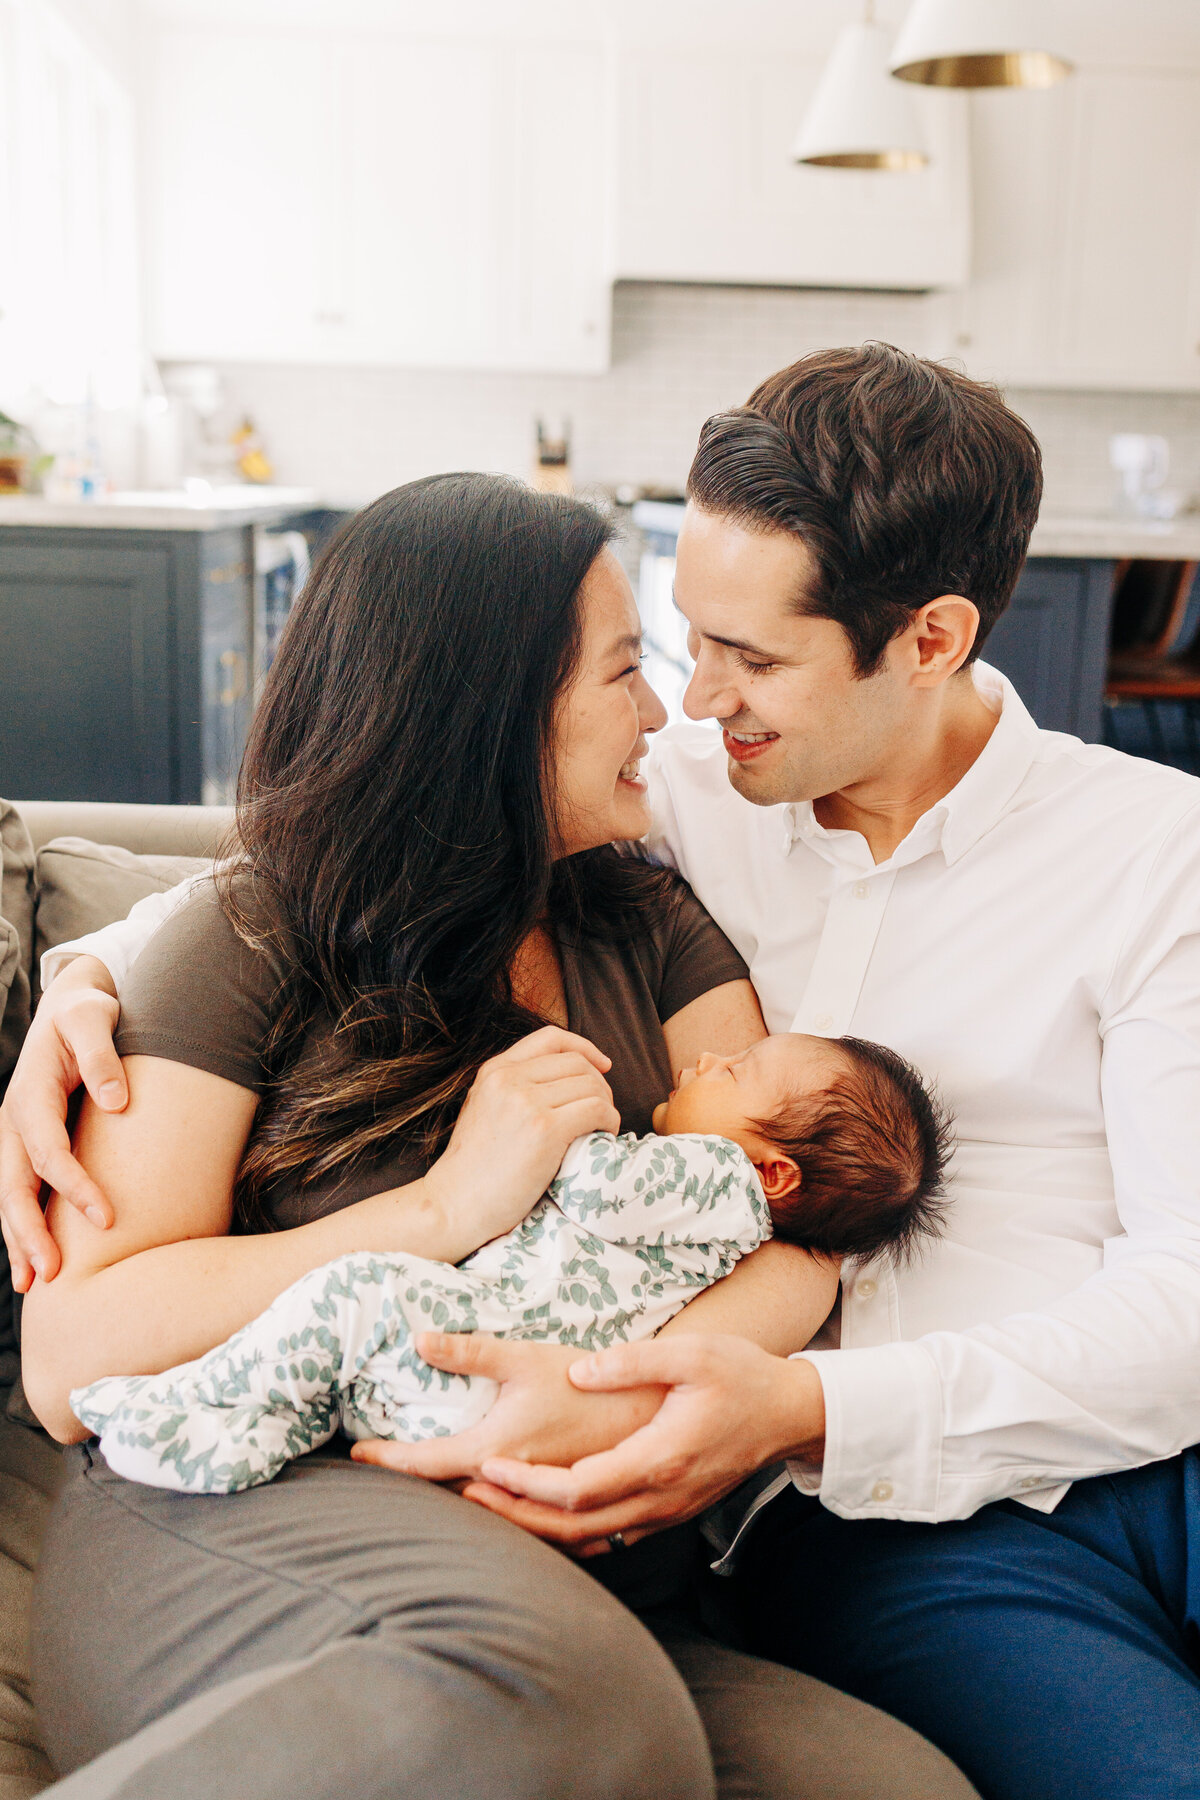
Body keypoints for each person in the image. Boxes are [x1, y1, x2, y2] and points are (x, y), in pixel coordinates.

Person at [9, 339, 1197, 1799]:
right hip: (351, 1482)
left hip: (1033, 1451)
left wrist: (657, 1390)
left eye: (745, 658)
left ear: (933, 638)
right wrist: (80, 978)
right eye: (660, 650)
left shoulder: (677, 887)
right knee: (568, 1709)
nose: (691, 706)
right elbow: (314, 860)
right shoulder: (675, 801)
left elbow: (794, 1230)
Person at [68, 1031, 951, 1494]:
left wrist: (571, 1127)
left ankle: (204, 1421)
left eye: (743, 1069)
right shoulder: (735, 1214)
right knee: (344, 1345)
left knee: (355, 1290)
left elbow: (599, 1189)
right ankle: (236, 1422)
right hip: (491, 1374)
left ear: (778, 1170)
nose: (714, 1058)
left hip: (496, 1346)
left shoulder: (713, 1176)